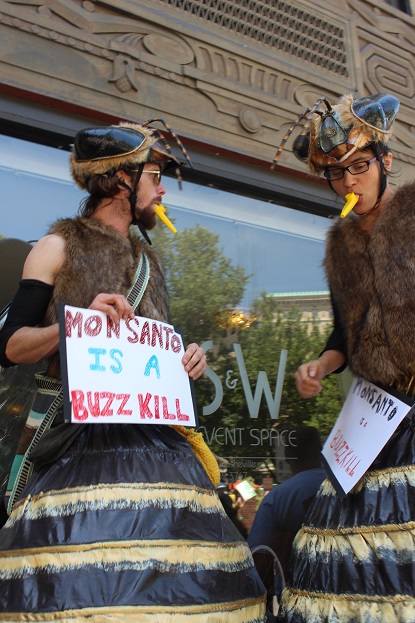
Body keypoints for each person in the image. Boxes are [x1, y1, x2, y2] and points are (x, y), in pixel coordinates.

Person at [0, 121, 266, 621]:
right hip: (80, 450)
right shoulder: (55, 247)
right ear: (122, 179)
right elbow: (10, 346)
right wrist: (71, 326)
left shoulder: (153, 263)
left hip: (161, 448)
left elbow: (150, 356)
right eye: (155, 174)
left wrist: (185, 359)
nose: (162, 187)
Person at [275, 93, 415, 622]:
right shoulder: (337, 246)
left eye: (360, 166)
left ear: (386, 161)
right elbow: (342, 336)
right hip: (377, 419)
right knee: (352, 557)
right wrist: (320, 366)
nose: (350, 182)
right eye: (338, 173)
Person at [247, 427, 326, 618]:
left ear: (288, 455)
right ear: (320, 450)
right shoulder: (346, 488)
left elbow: (259, 567)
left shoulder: (278, 499)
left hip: (298, 609)